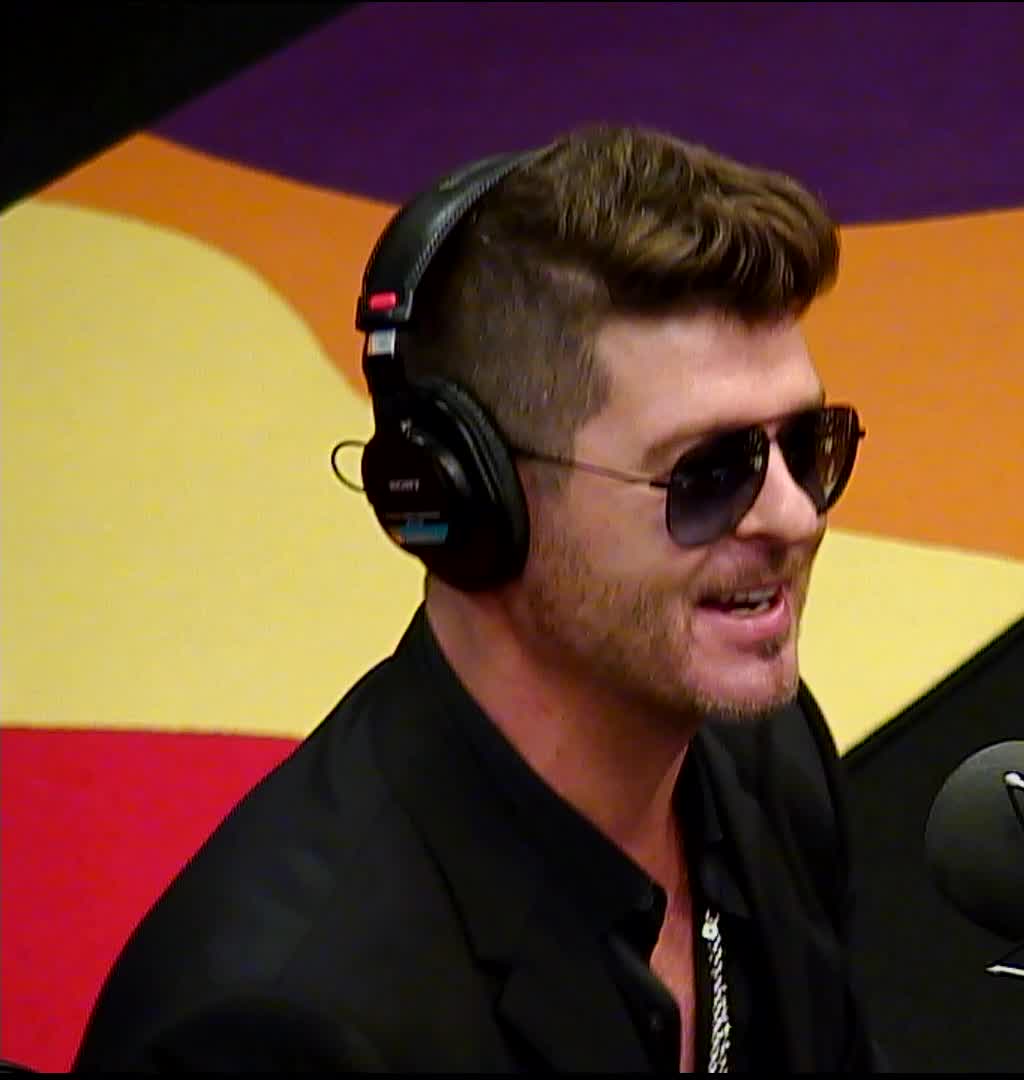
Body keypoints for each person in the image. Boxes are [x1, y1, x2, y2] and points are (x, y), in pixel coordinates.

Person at [72, 124, 885, 1072]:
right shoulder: (286, 1029)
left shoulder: (765, 755)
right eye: (708, 472)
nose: (796, 516)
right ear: (476, 499)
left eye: (806, 446)